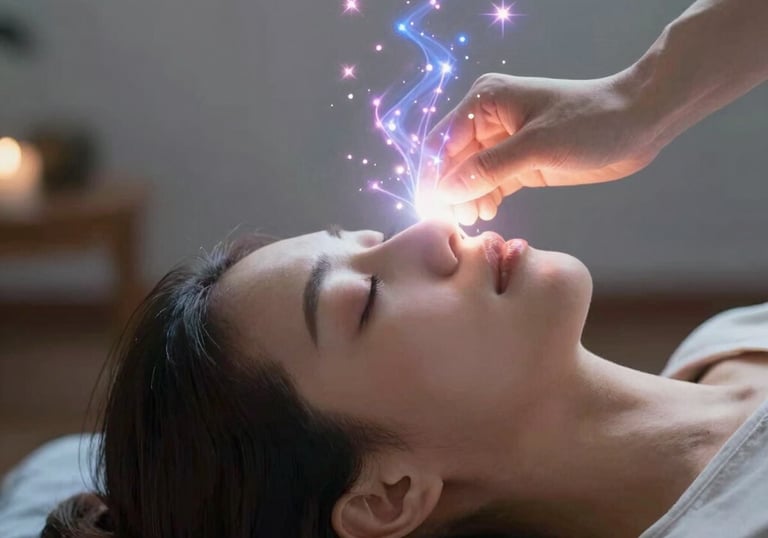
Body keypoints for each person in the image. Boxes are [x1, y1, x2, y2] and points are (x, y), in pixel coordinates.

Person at [25, 0, 767, 537]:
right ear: (387, 497)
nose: (428, 238)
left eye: (371, 235)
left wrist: (642, 97)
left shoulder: (730, 342)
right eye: (369, 298)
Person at [422, 0, 768, 225]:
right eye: (370, 300)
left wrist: (636, 104)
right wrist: (636, 102)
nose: (430, 238)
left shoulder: (725, 335)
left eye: (385, 237)